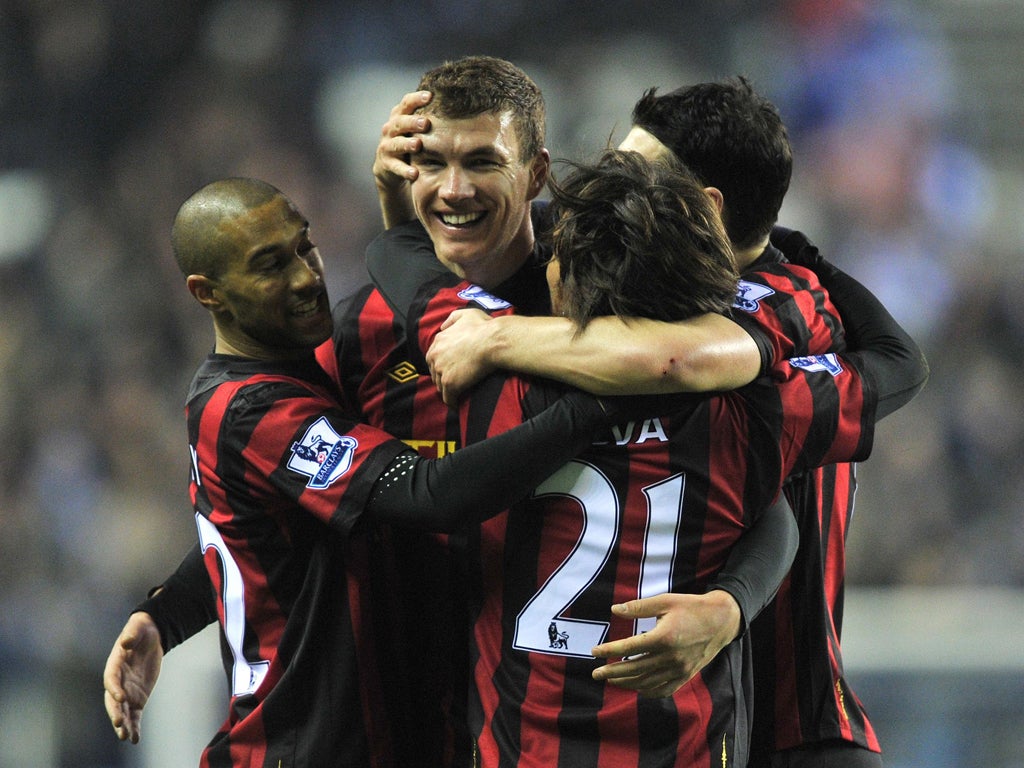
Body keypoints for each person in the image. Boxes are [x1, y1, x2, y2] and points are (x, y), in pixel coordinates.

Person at [364, 147, 924, 766]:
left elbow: (397, 254)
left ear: (570, 280)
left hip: (522, 750)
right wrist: (793, 253)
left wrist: (405, 193)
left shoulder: (495, 384)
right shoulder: (758, 411)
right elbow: (894, 362)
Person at [123, 175, 643, 767]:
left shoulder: (314, 374)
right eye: (270, 265)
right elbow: (429, 495)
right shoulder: (249, 408)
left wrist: (163, 614)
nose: (306, 276)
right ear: (207, 292)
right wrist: (600, 404)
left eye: (303, 246)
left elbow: (255, 539)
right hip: (313, 749)